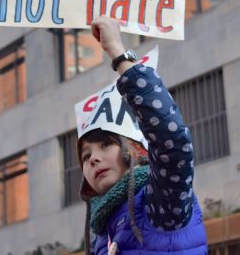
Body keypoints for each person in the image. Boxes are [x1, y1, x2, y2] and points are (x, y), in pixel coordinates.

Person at [77, 16, 207, 254]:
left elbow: (173, 143)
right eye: (85, 156)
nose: (93, 158)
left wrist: (118, 53)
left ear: (135, 149)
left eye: (106, 144)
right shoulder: (103, 235)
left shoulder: (162, 203)